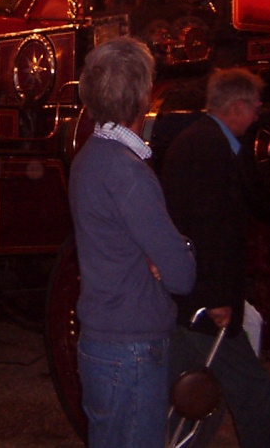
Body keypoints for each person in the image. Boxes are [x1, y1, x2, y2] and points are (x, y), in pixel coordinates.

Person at [70, 36, 196, 448]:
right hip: (133, 346)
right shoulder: (127, 171)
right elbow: (180, 274)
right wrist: (178, 251)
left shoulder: (90, 156)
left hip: (102, 340)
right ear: (144, 95)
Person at [161, 67, 270, 448]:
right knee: (253, 391)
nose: (257, 115)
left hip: (188, 297)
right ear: (236, 107)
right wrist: (217, 297)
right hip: (206, 302)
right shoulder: (210, 150)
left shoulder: (196, 142)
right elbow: (211, 228)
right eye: (254, 107)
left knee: (193, 396)